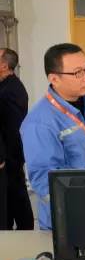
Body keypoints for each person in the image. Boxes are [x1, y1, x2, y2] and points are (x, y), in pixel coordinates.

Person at [20, 43, 85, 230]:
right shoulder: (39, 123)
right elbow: (45, 182)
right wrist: (79, 212)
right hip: (70, 219)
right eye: (78, 73)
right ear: (54, 78)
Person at [0, 48, 34, 230]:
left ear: (4, 65)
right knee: (10, 196)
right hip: (7, 154)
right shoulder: (5, 86)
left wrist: (6, 157)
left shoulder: (12, 89)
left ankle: (24, 232)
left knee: (16, 194)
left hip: (10, 155)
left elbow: (14, 128)